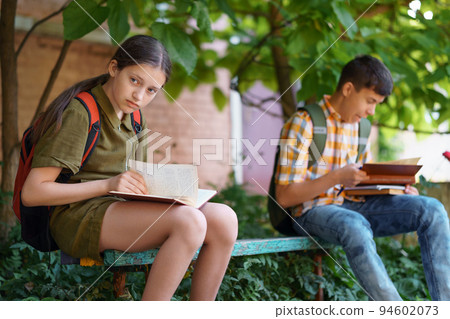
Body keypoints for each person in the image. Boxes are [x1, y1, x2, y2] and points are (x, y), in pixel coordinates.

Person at [21, 35, 238, 301]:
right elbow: (33, 193)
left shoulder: (134, 116)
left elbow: (139, 179)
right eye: (134, 80)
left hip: (117, 206)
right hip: (77, 216)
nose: (139, 95)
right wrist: (108, 185)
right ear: (114, 69)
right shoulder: (81, 112)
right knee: (189, 222)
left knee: (225, 219)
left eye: (151, 90)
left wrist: (177, 191)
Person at [274, 55, 450, 301]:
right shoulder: (304, 123)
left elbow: (363, 182)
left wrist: (398, 188)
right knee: (354, 225)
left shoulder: (362, 127)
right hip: (312, 211)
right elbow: (284, 196)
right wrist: (337, 177)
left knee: (432, 210)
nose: (372, 110)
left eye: (377, 104)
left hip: (356, 205)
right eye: (370, 101)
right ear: (348, 89)